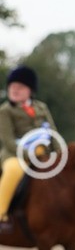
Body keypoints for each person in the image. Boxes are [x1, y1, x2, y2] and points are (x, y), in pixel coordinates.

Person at [0, 65, 58, 233]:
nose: (14, 90)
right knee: (14, 171)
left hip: (43, 154)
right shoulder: (5, 111)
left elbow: (53, 133)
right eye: (12, 87)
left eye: (19, 87)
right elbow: (8, 141)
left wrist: (62, 155)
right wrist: (30, 154)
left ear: (30, 90)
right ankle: (1, 214)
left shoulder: (42, 108)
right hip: (14, 155)